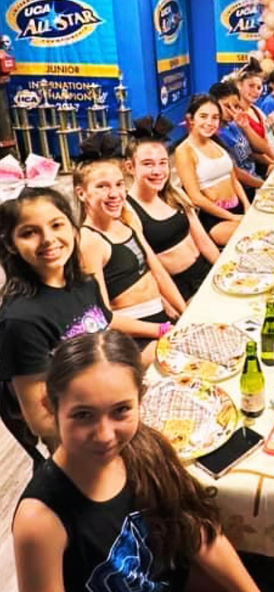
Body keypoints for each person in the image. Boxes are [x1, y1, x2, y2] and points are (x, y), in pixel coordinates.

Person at [13, 329, 269, 592]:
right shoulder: (40, 521)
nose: (105, 435)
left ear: (140, 399)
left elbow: (199, 532)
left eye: (121, 411)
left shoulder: (144, 449)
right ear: (51, 406)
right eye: (83, 415)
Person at [0, 188, 112, 449]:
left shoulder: (85, 284)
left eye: (57, 225)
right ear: (11, 245)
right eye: (29, 232)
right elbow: (41, 421)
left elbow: (106, 340)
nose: (48, 239)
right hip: (77, 440)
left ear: (73, 228)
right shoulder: (21, 321)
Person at [75, 135, 186, 361]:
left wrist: (185, 312)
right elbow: (102, 316)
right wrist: (160, 330)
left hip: (160, 319)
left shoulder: (126, 219)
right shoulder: (89, 241)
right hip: (133, 335)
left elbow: (158, 272)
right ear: (81, 193)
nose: (115, 194)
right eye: (102, 186)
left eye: (119, 184)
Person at [125, 116, 219, 301]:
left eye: (162, 163)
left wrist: (222, 271)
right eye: (148, 164)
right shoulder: (129, 211)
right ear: (130, 167)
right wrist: (177, 306)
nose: (157, 171)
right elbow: (151, 271)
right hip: (181, 289)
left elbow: (203, 241)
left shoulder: (173, 193)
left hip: (205, 271)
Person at [173, 95, 250, 245]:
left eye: (215, 117)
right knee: (255, 234)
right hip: (214, 219)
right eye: (203, 116)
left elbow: (234, 180)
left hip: (238, 208)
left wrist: (247, 205)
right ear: (191, 119)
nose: (210, 122)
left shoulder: (216, 143)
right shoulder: (184, 151)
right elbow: (195, 197)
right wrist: (232, 217)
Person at [208, 81, 267, 193]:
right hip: (244, 189)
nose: (232, 111)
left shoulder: (235, 124)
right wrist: (264, 185)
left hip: (257, 179)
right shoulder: (215, 135)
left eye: (236, 106)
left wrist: (246, 127)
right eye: (227, 106)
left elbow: (259, 150)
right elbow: (236, 173)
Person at [236, 58, 274, 164]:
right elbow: (252, 151)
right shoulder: (236, 114)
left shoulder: (256, 110)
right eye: (251, 86)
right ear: (239, 85)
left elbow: (267, 143)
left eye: (259, 87)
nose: (255, 91)